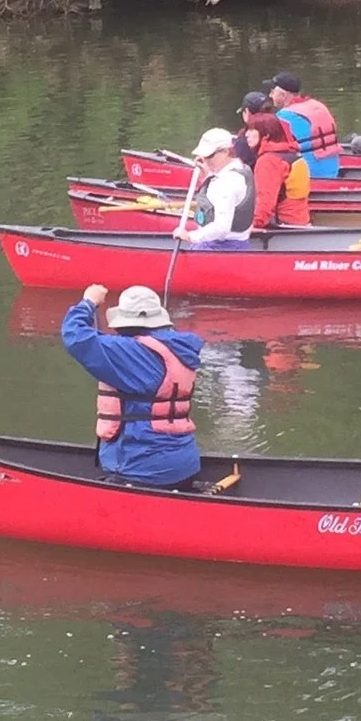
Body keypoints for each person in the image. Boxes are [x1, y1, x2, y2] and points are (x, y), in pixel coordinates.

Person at [62, 284, 205, 488]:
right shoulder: (178, 348)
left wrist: (89, 302)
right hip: (184, 466)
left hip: (141, 471)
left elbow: (75, 336)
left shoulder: (133, 354)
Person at [238, 93, 313, 228]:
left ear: (266, 135)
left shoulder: (268, 161)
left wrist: (250, 226)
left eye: (252, 130)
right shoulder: (292, 153)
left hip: (283, 227)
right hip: (301, 222)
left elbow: (264, 204)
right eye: (247, 130)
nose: (247, 135)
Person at [173, 128, 256, 248]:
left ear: (226, 152)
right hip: (230, 243)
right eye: (203, 156)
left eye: (209, 155)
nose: (205, 160)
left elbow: (221, 227)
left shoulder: (228, 182)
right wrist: (207, 175)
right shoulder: (239, 167)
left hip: (223, 246)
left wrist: (189, 236)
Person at [267, 72, 342, 179]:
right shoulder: (318, 105)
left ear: (283, 95)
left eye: (272, 92)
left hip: (310, 176)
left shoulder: (284, 117)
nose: (270, 96)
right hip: (333, 171)